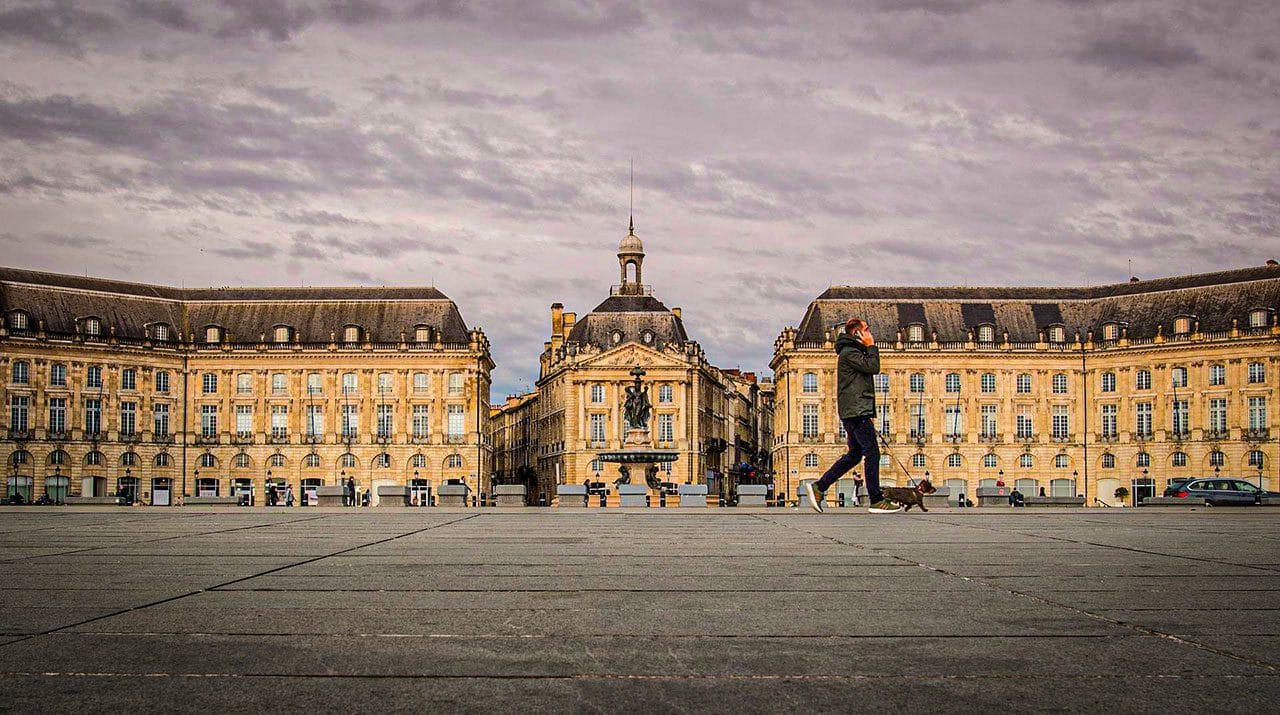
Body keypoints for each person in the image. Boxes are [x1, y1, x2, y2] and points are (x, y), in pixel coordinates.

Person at [804, 317, 902, 514]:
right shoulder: (849, 353)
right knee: (872, 453)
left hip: (855, 410)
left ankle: (820, 487)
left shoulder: (852, 352)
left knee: (855, 455)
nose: (869, 333)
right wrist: (871, 346)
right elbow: (873, 367)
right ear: (857, 333)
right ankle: (876, 500)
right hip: (856, 411)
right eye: (866, 330)